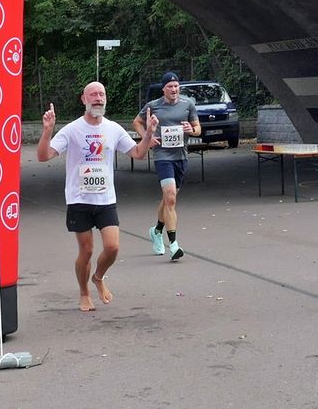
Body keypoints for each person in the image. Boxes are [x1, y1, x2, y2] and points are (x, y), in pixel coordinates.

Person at [38, 82, 158, 311]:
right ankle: (84, 293)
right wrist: (47, 130)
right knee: (87, 251)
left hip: (105, 199)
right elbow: (43, 156)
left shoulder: (113, 129)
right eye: (93, 94)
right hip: (79, 199)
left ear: (106, 99)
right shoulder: (72, 129)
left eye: (101, 94)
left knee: (112, 248)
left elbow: (138, 153)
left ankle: (98, 277)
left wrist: (149, 134)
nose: (98, 98)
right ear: (84, 99)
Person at [133, 71, 200, 261]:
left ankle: (156, 230)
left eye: (176, 86)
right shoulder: (153, 105)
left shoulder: (188, 104)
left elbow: (198, 128)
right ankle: (174, 245)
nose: (174, 89)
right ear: (163, 89)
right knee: (170, 197)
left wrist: (192, 130)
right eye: (170, 86)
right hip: (163, 156)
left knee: (168, 199)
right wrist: (147, 137)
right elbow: (137, 122)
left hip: (181, 156)